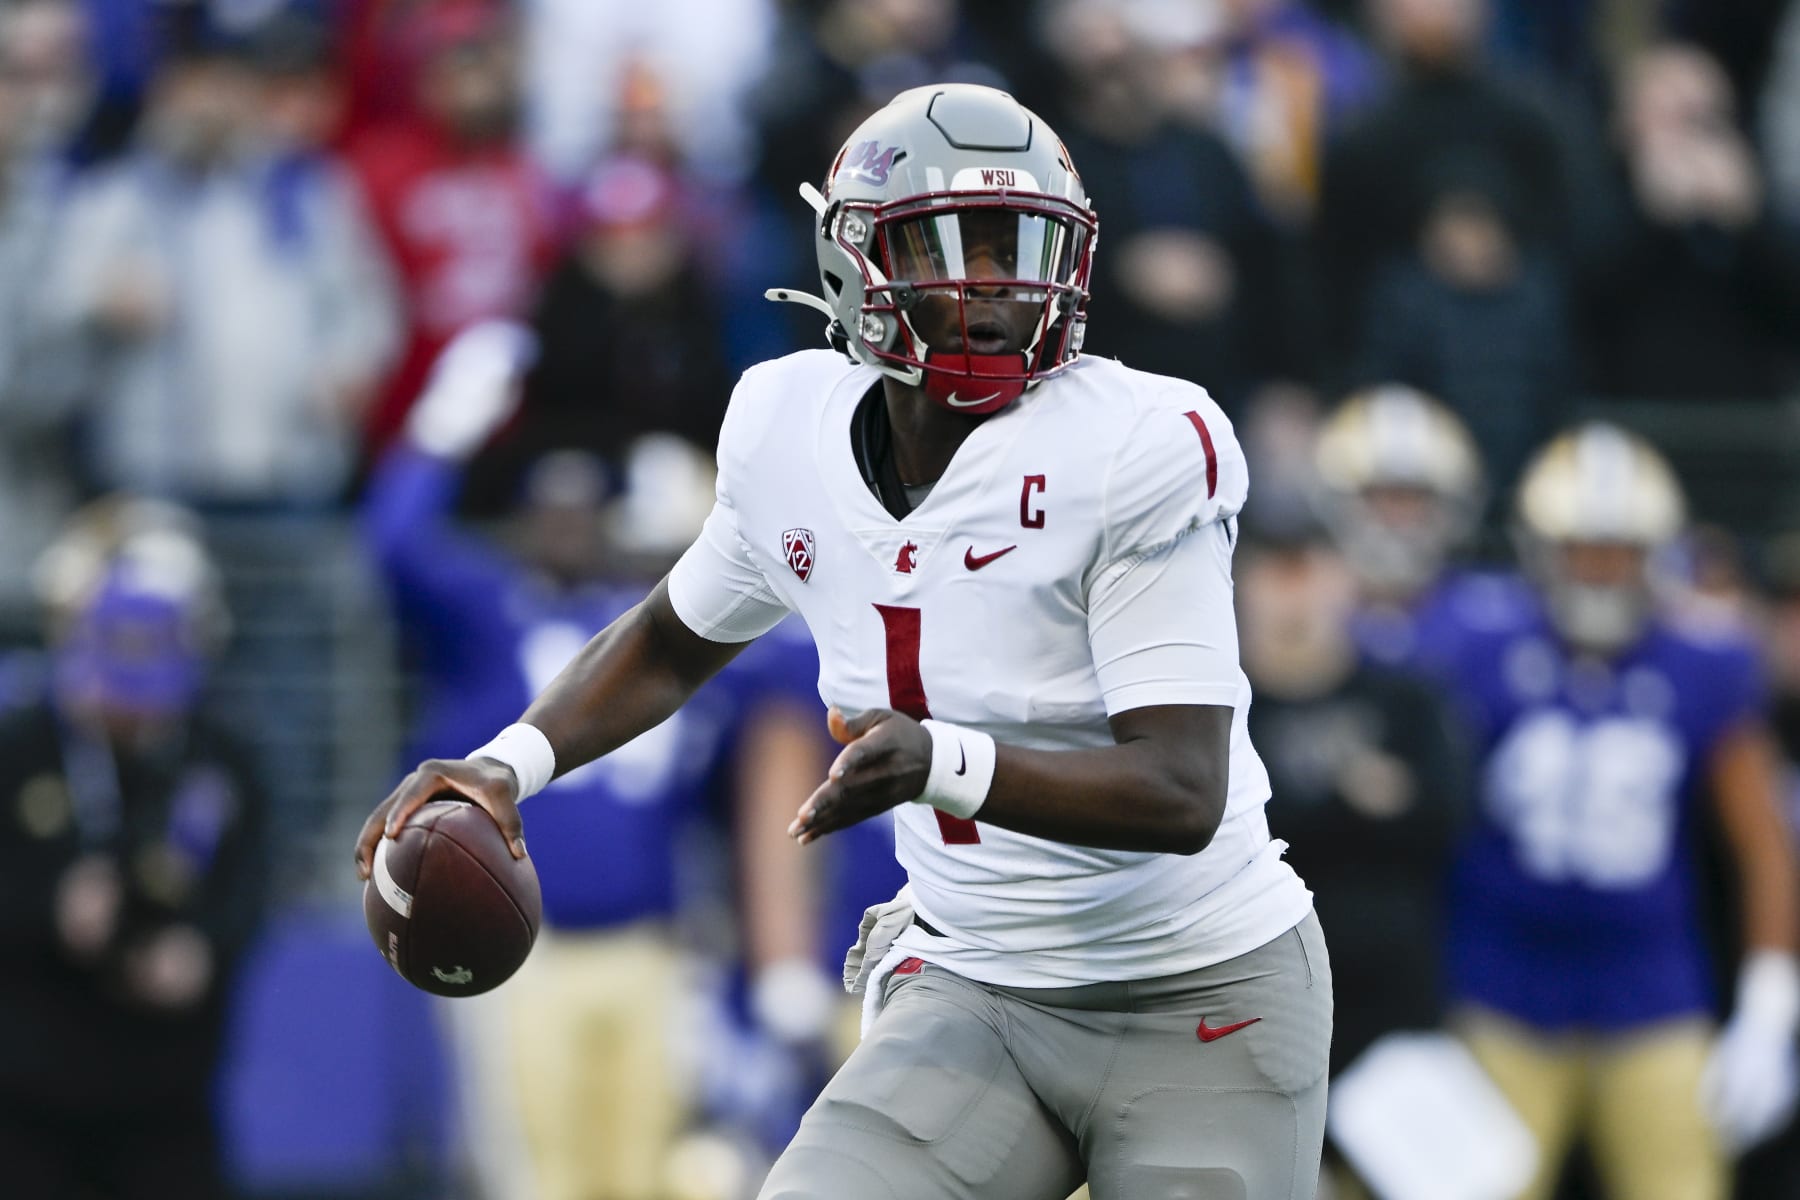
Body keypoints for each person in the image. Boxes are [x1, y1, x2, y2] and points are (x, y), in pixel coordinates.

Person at [355, 83, 1330, 1199]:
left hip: (1198, 991)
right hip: (979, 988)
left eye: (1019, 245)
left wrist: (943, 763)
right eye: (949, 247)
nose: (996, 287)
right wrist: (505, 764)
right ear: (854, 265)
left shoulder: (1141, 442)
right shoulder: (789, 429)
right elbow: (675, 639)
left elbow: (1180, 788)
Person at [1431, 424, 1800, 1200]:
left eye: (1620, 550)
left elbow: (1764, 845)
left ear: (1659, 554)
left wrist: (1770, 1009)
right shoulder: (1478, 641)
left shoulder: (1706, 660)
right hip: (1504, 985)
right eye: (1580, 548)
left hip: (1652, 989)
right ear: (1538, 548)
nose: (1599, 572)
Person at [0, 498, 269, 1199]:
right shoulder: (19, 748)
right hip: (30, 1090)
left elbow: (252, 882)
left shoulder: (223, 756)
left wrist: (205, 948)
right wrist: (46, 906)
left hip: (166, 1088)